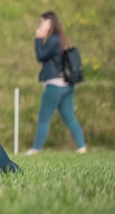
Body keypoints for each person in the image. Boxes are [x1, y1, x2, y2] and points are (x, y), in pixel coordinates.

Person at [26, 11, 87, 155]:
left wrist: (38, 38)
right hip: (67, 85)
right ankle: (82, 147)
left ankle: (36, 149)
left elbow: (41, 56)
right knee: (69, 116)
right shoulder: (61, 39)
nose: (40, 25)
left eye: (42, 22)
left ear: (49, 23)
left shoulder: (52, 40)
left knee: (44, 118)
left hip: (55, 86)